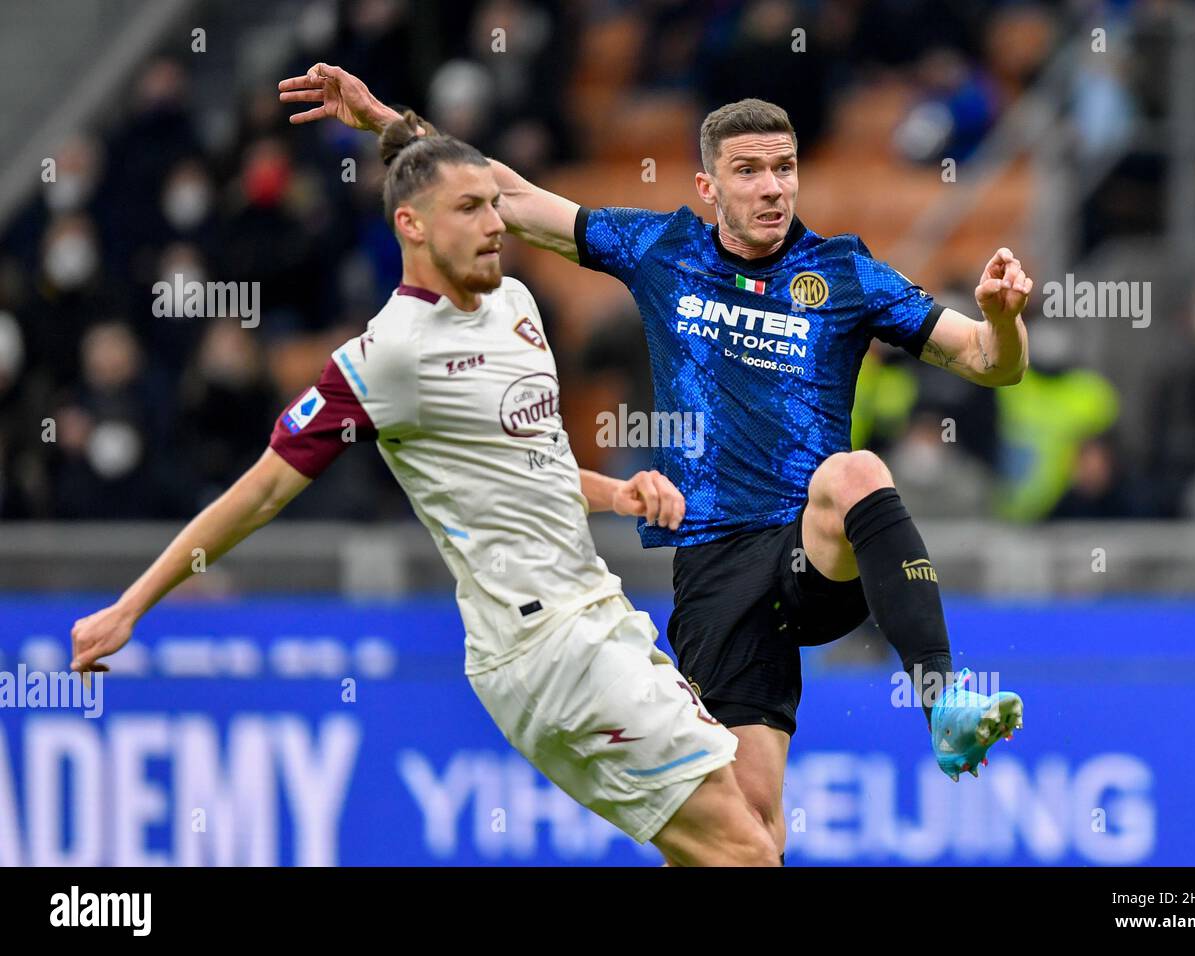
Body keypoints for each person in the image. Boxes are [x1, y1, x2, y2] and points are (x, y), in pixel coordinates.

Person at [279, 64, 1027, 859]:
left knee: (854, 473)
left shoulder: (842, 273)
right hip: (714, 567)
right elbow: (509, 196)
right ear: (708, 186)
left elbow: (989, 361)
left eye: (785, 168)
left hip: (811, 551)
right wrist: (387, 122)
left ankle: (943, 701)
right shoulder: (663, 249)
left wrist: (1003, 320)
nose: (773, 188)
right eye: (749, 171)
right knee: (750, 836)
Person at [70, 115, 778, 868]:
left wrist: (617, 492)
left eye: (493, 203)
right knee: (745, 851)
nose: (493, 221)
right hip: (546, 645)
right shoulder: (387, 357)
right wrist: (131, 604)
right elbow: (263, 490)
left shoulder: (516, 305)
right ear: (410, 224)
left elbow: (525, 464)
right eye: (468, 209)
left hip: (594, 614)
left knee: (747, 832)